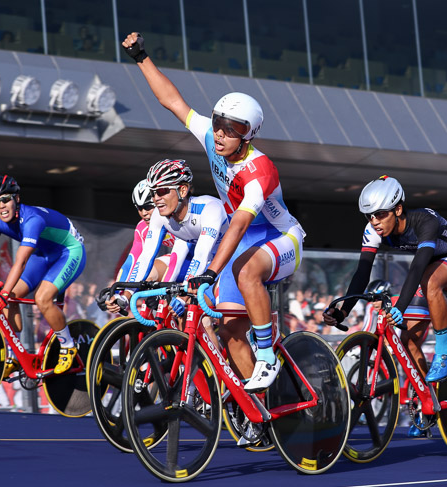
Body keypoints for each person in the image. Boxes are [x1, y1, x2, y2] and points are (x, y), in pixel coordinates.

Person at [122, 32, 306, 392]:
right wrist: (141, 56)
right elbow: (172, 101)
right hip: (241, 241)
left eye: (232, 129)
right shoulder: (210, 135)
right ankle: (260, 414)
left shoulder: (260, 170)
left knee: (246, 269)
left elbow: (237, 225)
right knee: (231, 330)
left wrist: (209, 271)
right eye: (218, 123)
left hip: (280, 237)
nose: (220, 134)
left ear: (248, 135)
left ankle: (267, 356)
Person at [324, 175, 447, 387]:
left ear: (397, 210)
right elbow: (362, 272)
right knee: (408, 340)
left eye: (380, 214)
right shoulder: (373, 230)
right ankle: (429, 397)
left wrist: (401, 307)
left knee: (429, 281)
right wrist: (343, 310)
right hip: (429, 270)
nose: (374, 221)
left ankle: (443, 352)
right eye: (369, 216)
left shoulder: (425, 221)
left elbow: (417, 267)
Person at [0, 175, 86, 376]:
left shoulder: (32, 220)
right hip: (42, 254)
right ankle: (15, 355)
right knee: (7, 295)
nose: (1, 206)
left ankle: (68, 346)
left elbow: (20, 262)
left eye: (5, 199)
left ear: (16, 198)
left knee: (42, 298)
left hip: (68, 251)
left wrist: (4, 292)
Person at [106, 159, 228, 318]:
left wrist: (184, 295)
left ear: (182, 190)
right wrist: (125, 295)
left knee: (203, 318)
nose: (156, 198)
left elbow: (202, 254)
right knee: (185, 321)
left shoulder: (209, 209)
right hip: (200, 265)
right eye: (153, 193)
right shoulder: (160, 216)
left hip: (228, 261)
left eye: (162, 191)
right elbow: (145, 257)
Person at [114, 178, 175, 285]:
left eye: (148, 207)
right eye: (139, 208)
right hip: (181, 261)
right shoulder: (142, 228)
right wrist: (117, 289)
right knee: (147, 274)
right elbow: (131, 262)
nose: (143, 213)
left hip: (206, 259)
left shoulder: (176, 220)